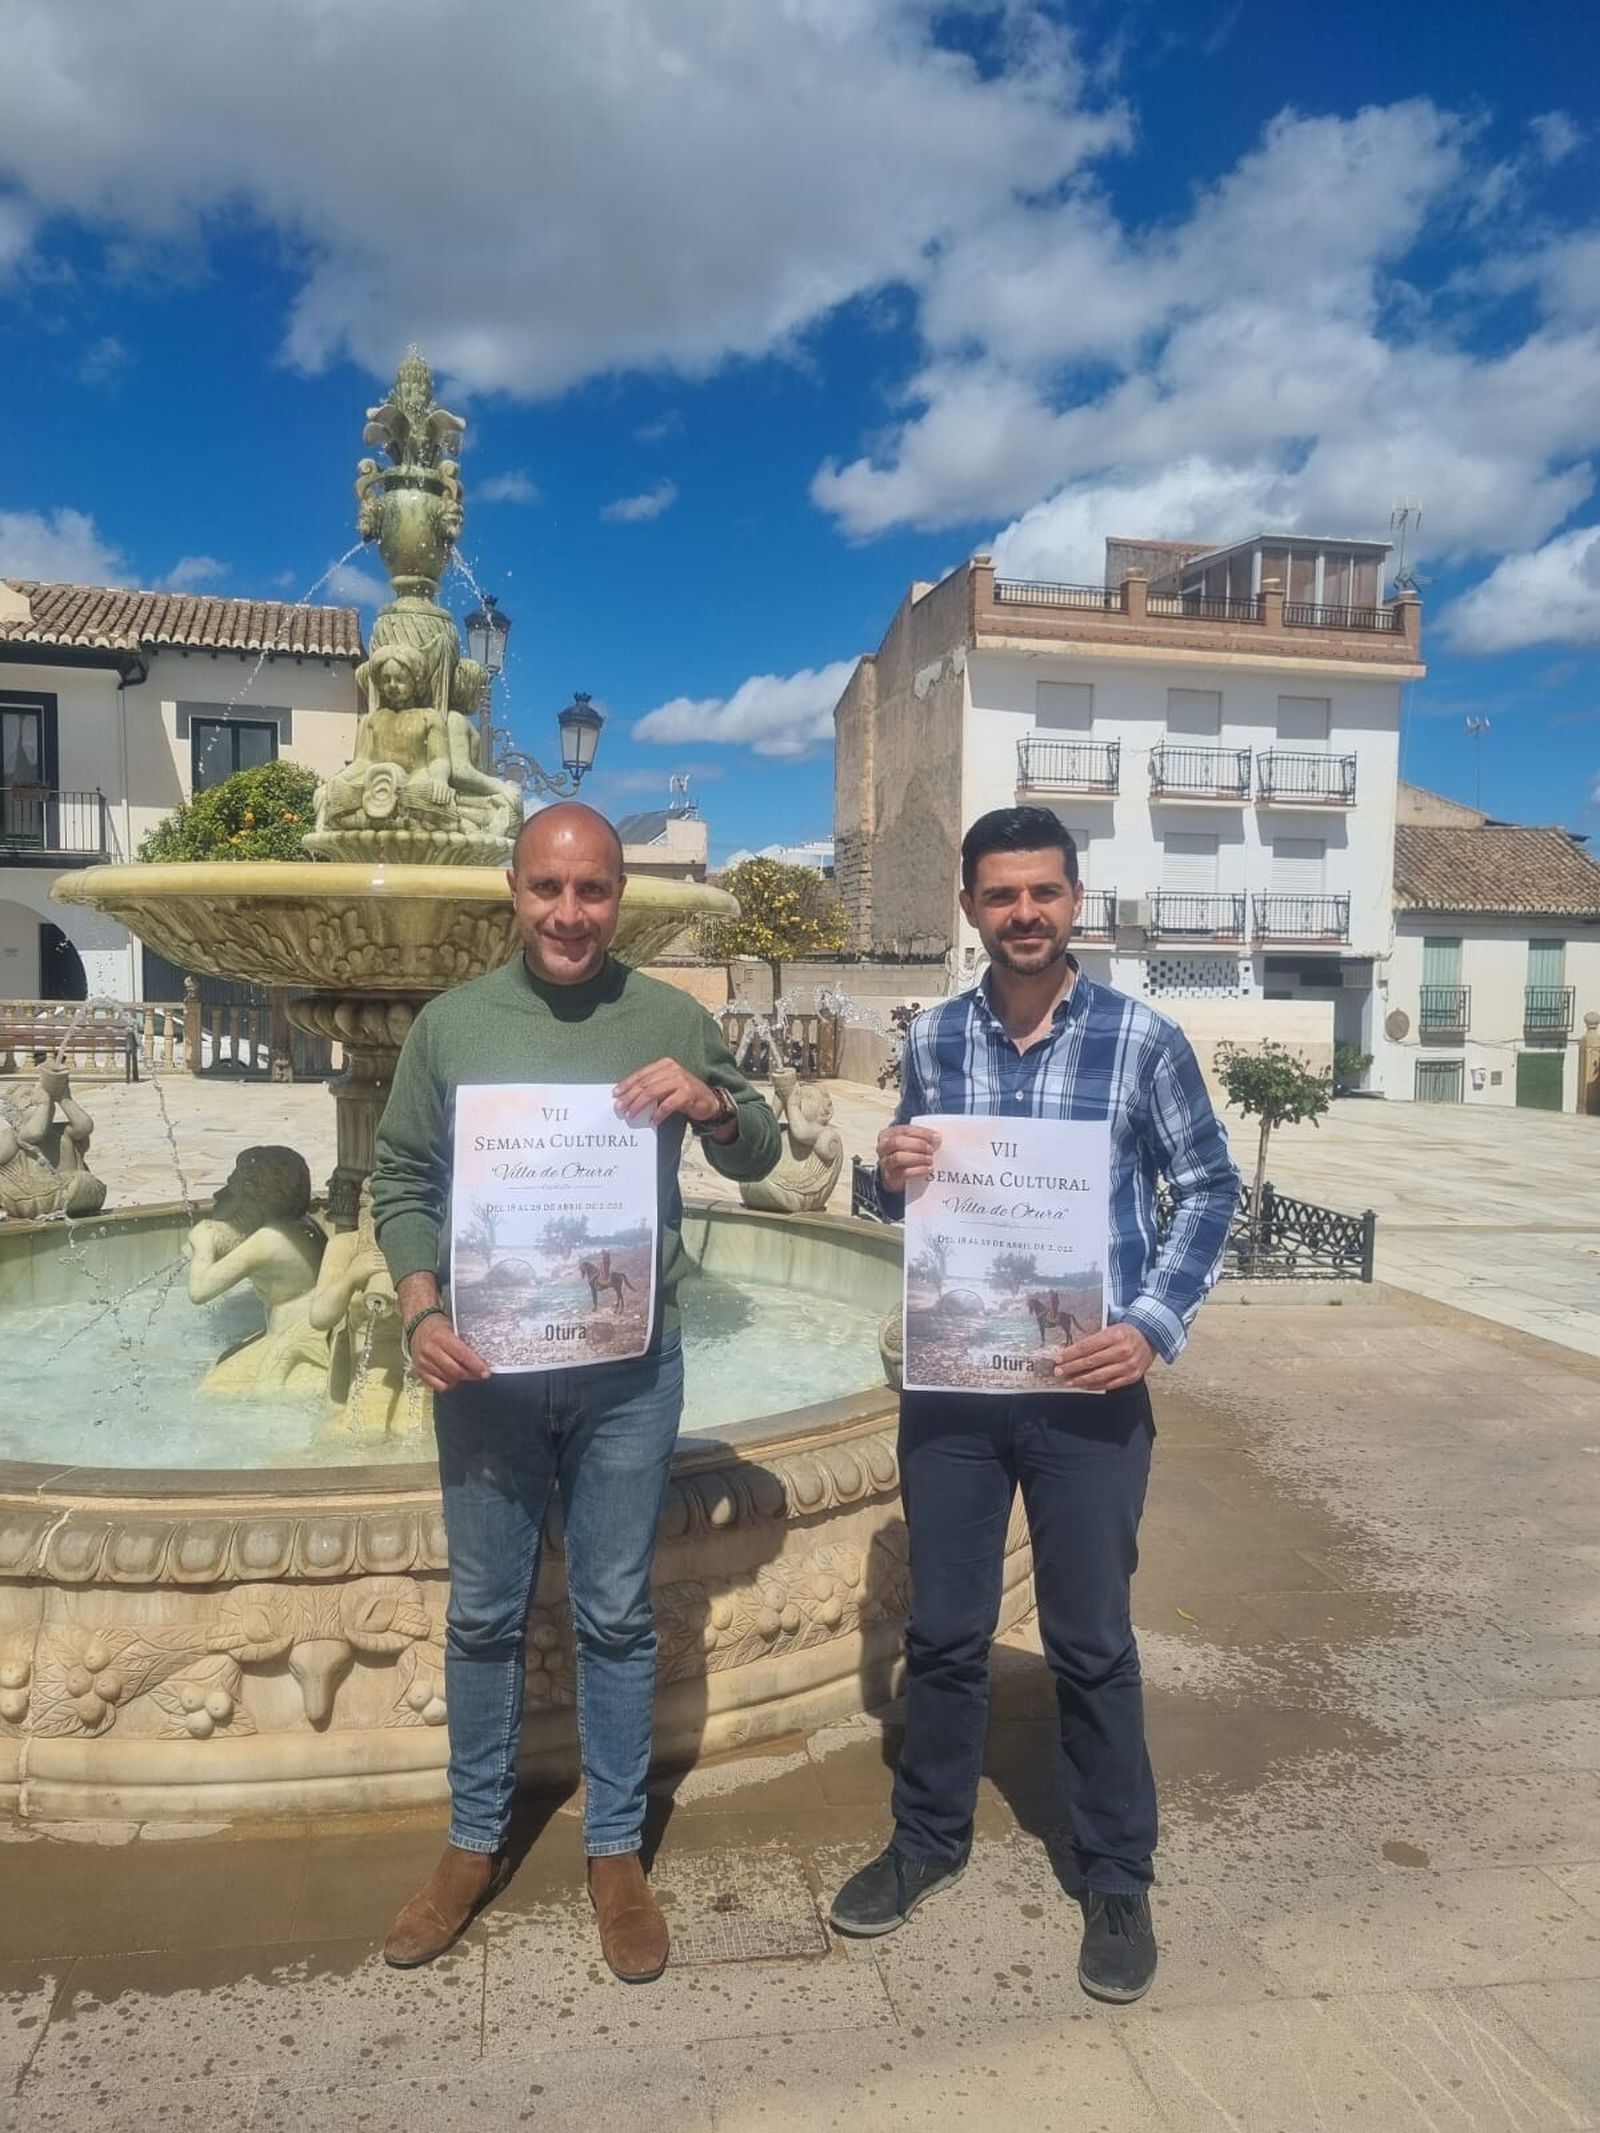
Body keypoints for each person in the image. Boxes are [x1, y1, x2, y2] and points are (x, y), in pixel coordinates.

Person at [828, 806, 1238, 2004]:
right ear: (969, 908)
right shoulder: (936, 1041)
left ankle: (1115, 1871)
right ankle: (925, 1843)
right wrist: (887, 1173)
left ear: (1073, 901)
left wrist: (1152, 1326)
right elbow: (914, 1209)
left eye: (1043, 893)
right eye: (1001, 896)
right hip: (958, 1387)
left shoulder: (1141, 1040)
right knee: (946, 1633)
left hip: (1085, 1391)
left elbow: (1208, 1188)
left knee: (1091, 1641)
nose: (1023, 914)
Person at [370, 802, 779, 1980]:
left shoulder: (665, 1018)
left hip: (627, 1375)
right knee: (483, 1615)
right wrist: (419, 1308)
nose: (569, 914)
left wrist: (711, 1103)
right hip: (488, 1372)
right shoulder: (451, 1028)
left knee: (612, 1611)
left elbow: (759, 1151)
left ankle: (614, 1850)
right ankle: (471, 1843)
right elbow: (399, 1177)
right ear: (514, 891)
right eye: (548, 890)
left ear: (619, 897)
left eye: (592, 891)